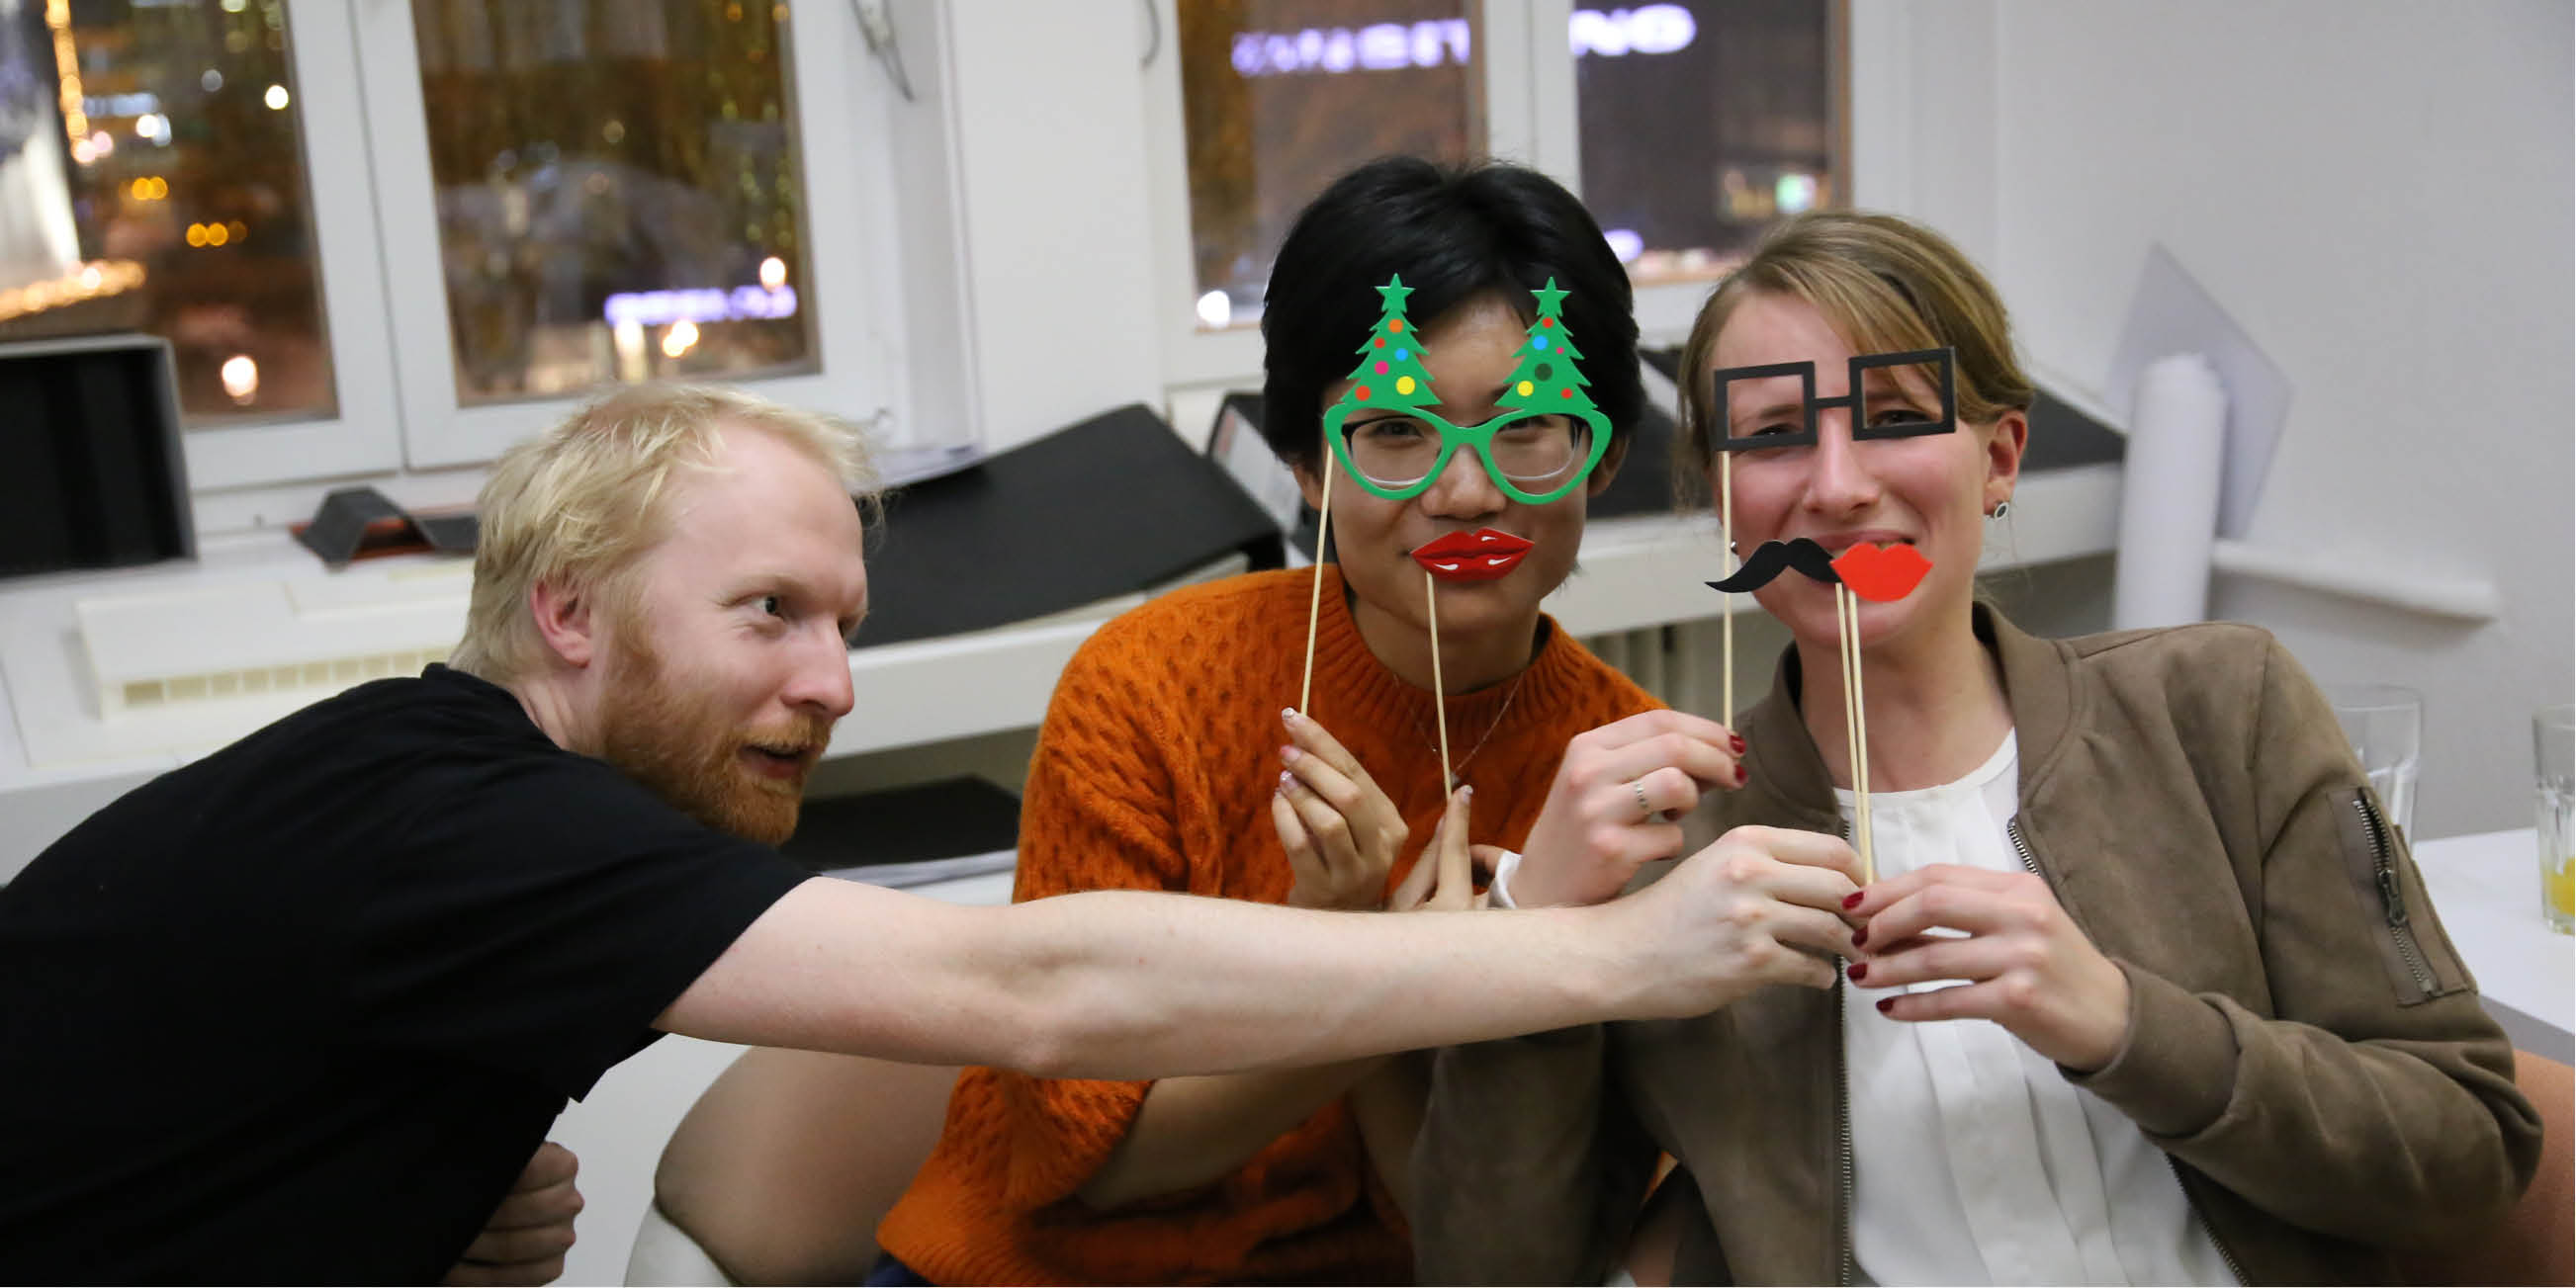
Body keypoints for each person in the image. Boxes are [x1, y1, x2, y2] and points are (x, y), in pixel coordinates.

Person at [0, 382, 1859, 1283]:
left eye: (843, 626)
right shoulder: (462, 816)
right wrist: (1600, 946)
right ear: (565, 612)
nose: (829, 684)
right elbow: (1030, 989)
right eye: (767, 614)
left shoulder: (465, 812)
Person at [656, 158, 1864, 1285]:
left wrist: (1464, 960)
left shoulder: (1631, 782)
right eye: (1394, 431)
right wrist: (1374, 950)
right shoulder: (1154, 684)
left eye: (1526, 427)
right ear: (1305, 464)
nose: (1464, 488)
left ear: (1599, 456)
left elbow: (1476, 1240)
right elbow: (1096, 1167)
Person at [1412, 210, 2545, 1284]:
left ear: (1998, 458)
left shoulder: (2218, 709)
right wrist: (1533, 933)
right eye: (1773, 434)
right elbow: (1494, 1269)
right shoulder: (1666, 850)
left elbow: (2470, 1152)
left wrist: (2123, 1021)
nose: (1837, 486)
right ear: (1723, 496)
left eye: (1895, 414)